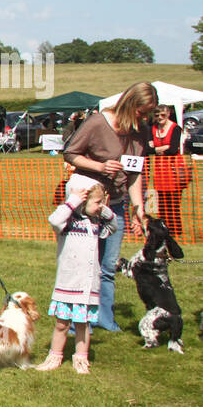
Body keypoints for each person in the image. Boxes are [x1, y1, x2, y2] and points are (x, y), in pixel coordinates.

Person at [63, 81, 156, 332]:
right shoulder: (96, 123)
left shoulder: (140, 131)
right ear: (129, 104)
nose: (145, 118)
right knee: (85, 263)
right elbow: (70, 153)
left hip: (115, 204)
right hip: (87, 202)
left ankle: (104, 319)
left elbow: (135, 174)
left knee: (107, 265)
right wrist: (100, 167)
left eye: (148, 113)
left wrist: (139, 209)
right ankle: (77, 321)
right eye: (142, 112)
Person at [35, 176, 115, 375]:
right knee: (62, 324)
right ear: (82, 202)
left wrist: (103, 208)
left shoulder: (96, 223)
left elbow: (113, 226)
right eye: (97, 203)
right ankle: (54, 356)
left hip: (87, 285)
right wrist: (72, 201)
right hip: (68, 284)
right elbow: (54, 219)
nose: (100, 207)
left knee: (82, 324)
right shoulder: (67, 224)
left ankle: (81, 359)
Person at [150, 104, 186, 239]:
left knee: (173, 202)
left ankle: (176, 230)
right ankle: (163, 230)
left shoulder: (175, 128)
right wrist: (163, 147)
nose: (160, 118)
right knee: (161, 203)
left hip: (174, 170)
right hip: (159, 170)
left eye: (162, 115)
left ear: (168, 114)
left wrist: (157, 149)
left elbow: (173, 149)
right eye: (157, 115)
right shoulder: (152, 128)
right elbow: (148, 150)